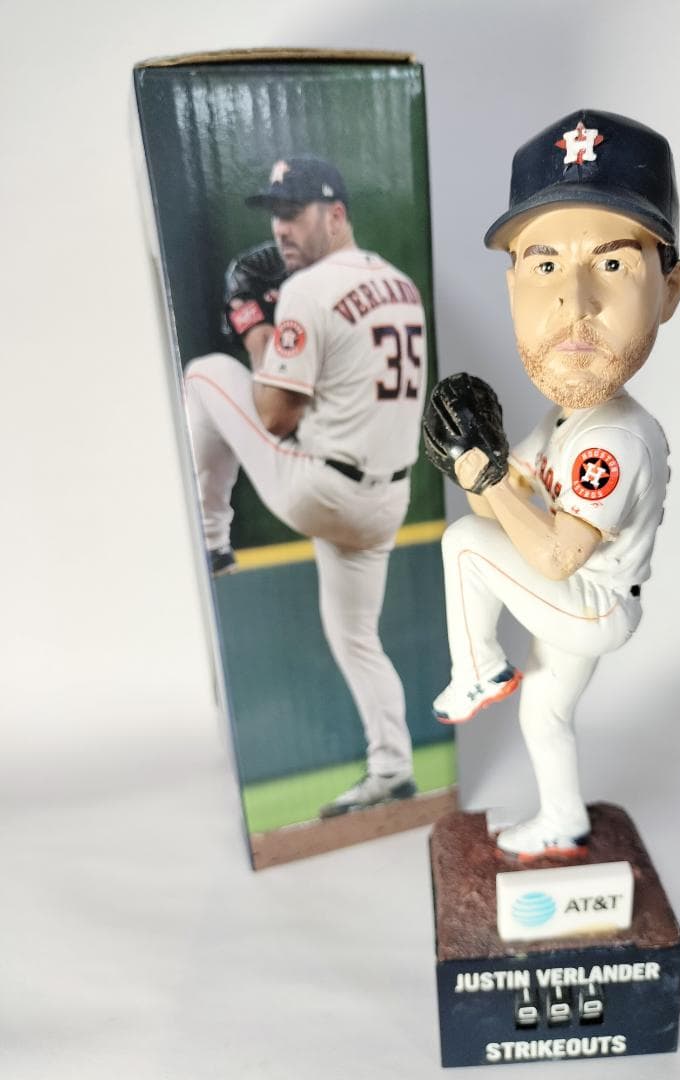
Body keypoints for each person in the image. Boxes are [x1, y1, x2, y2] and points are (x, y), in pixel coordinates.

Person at [430, 111, 680, 857]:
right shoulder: (568, 417)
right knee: (543, 711)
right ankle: (563, 820)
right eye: (545, 266)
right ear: (514, 284)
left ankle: (477, 670)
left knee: (461, 545)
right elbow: (506, 501)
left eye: (612, 264)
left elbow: (552, 556)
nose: (575, 300)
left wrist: (486, 482)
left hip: (594, 602)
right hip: (581, 594)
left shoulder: (615, 438)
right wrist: (476, 463)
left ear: (669, 290)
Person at [184, 156, 427, 817]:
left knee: (203, 374)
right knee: (357, 638)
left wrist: (254, 325)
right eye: (275, 214)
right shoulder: (401, 284)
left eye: (294, 212)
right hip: (387, 503)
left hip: (321, 489)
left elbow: (274, 416)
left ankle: (212, 539)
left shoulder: (308, 290)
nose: (280, 228)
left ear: (336, 214)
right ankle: (392, 770)